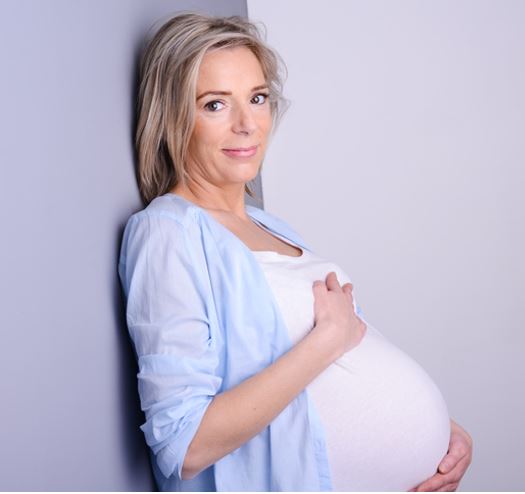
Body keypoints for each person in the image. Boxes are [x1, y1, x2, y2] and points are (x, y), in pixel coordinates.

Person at [119, 12, 473, 491]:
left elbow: (347, 360)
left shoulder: (267, 224)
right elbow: (185, 444)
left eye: (257, 98)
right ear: (172, 118)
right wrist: (325, 343)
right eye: (215, 104)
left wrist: (443, 436)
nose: (248, 124)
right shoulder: (167, 233)